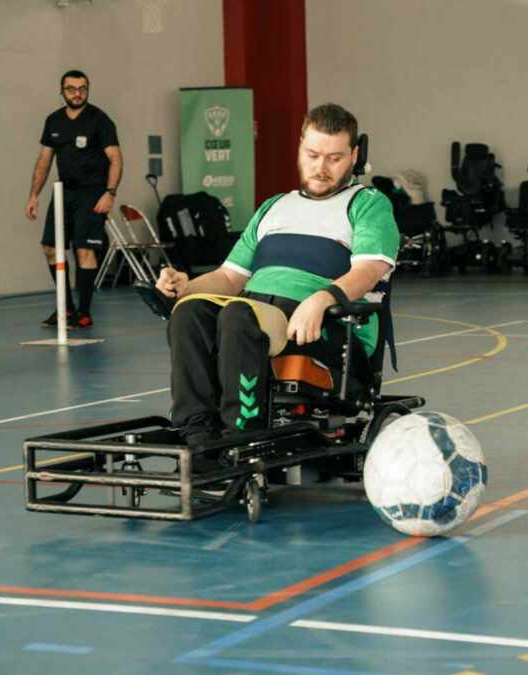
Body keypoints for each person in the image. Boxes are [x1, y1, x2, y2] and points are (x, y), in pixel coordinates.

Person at [154, 103, 399, 445]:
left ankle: (241, 434)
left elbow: (369, 270)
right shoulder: (274, 207)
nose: (321, 168)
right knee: (190, 311)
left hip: (328, 330)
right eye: (313, 155)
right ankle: (197, 432)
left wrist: (321, 300)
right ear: (299, 146)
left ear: (355, 155)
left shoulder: (368, 204)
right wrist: (185, 286)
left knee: (239, 315)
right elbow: (229, 278)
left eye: (335, 158)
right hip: (258, 318)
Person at [25, 69, 122, 330]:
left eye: (82, 89)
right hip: (62, 192)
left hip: (93, 192)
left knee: (84, 250)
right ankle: (65, 309)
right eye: (71, 89)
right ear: (62, 92)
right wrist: (33, 195)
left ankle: (84, 312)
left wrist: (109, 192)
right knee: (50, 248)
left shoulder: (100, 120)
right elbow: (44, 161)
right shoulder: (54, 121)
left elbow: (115, 158)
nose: (77, 94)